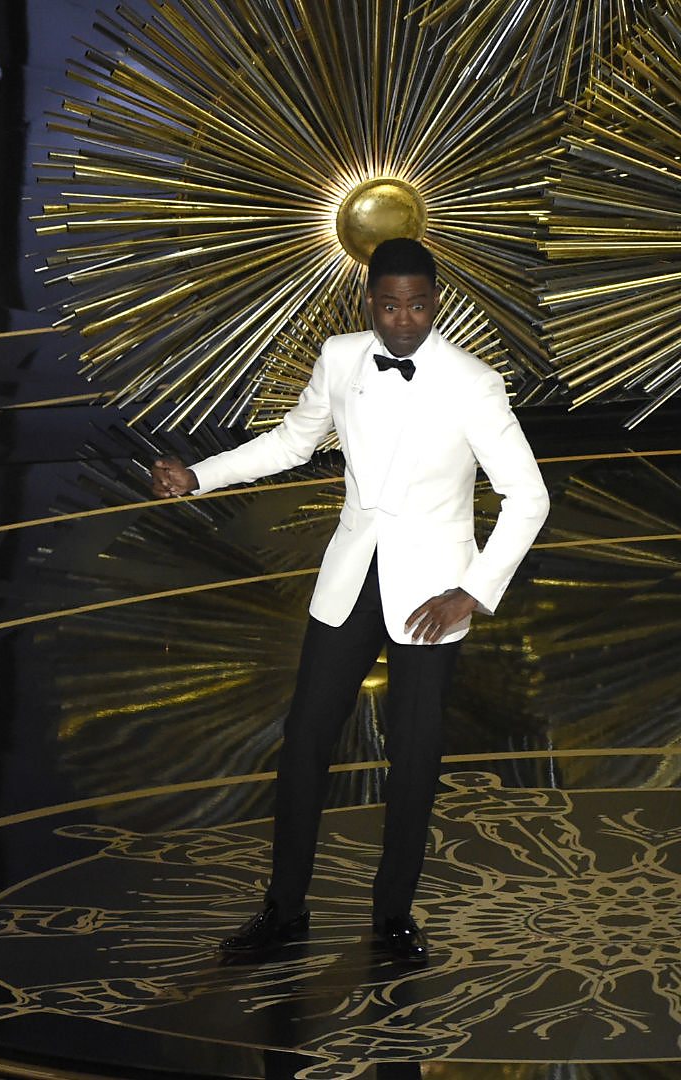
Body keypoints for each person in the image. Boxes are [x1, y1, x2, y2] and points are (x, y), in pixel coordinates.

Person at [149, 237, 550, 963]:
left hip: (432, 592)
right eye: (390, 304)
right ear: (369, 302)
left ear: (437, 302)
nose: (404, 319)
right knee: (303, 745)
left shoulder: (474, 382)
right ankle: (283, 910)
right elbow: (290, 442)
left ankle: (393, 916)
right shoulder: (339, 358)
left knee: (415, 758)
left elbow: (529, 496)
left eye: (418, 305)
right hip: (349, 580)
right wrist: (199, 477)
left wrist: (473, 591)